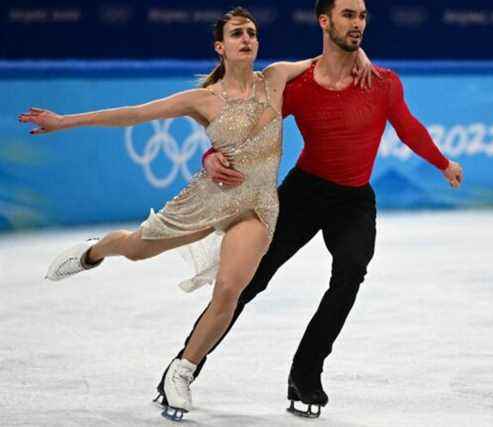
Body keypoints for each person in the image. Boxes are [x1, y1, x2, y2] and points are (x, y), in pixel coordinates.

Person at [18, 6, 376, 422]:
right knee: (135, 248)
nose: (247, 39)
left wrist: (363, 56)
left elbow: (332, 54)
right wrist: (64, 121)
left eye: (252, 33)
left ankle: (182, 370)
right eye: (238, 34)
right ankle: (95, 252)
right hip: (207, 200)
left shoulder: (276, 78)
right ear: (220, 47)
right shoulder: (202, 99)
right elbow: (135, 114)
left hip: (257, 206)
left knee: (229, 291)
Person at [167, 0, 464, 419]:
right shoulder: (298, 85)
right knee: (250, 281)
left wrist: (443, 163)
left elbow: (408, 126)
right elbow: (247, 130)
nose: (357, 23)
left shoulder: (384, 82)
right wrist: (210, 156)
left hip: (354, 200)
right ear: (324, 21)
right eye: (347, 15)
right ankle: (184, 366)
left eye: (361, 15)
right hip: (304, 194)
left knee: (349, 275)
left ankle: (306, 373)